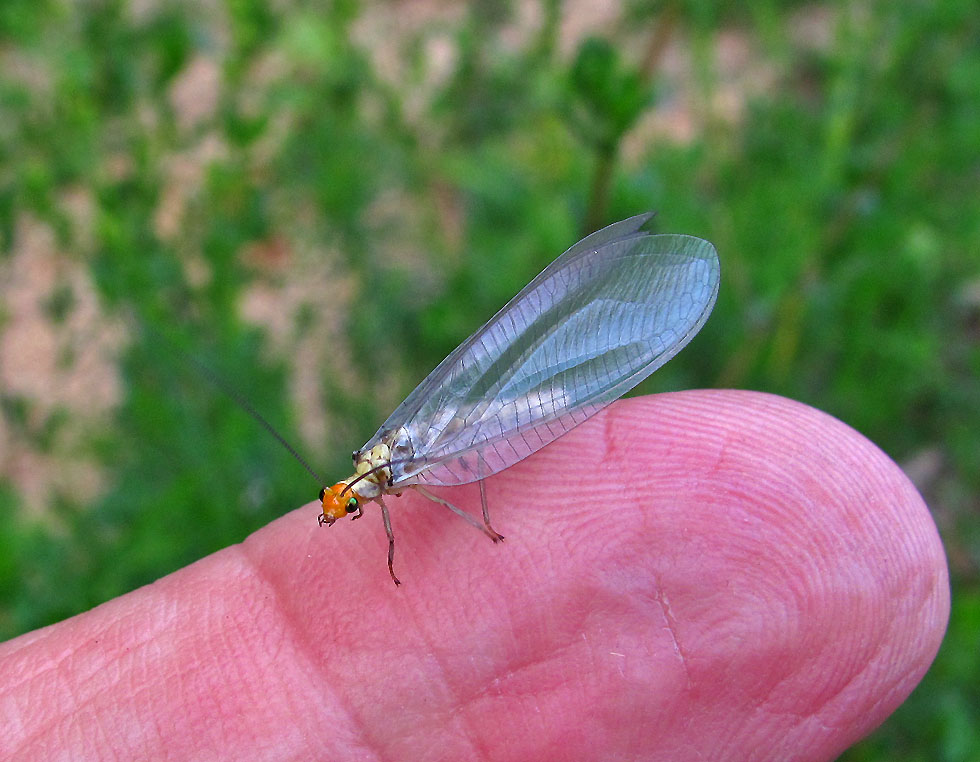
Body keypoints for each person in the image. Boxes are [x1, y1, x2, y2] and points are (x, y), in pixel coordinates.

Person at [0, 391, 949, 760]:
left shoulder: (397, 480)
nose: (339, 508)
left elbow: (457, 494)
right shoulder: (370, 487)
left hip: (504, 414)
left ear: (352, 494)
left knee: (462, 495)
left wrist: (473, 524)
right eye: (339, 503)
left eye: (341, 502)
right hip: (446, 444)